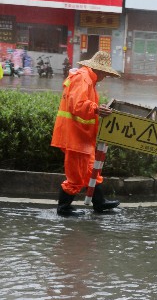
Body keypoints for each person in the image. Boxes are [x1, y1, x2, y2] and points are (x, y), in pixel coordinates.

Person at [51, 51, 121, 216]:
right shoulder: (83, 79)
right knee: (75, 174)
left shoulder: (87, 79)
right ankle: (63, 208)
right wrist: (96, 108)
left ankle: (99, 202)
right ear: (99, 70)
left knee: (91, 169)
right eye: (105, 73)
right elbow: (78, 105)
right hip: (74, 136)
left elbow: (81, 104)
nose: (105, 77)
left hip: (80, 136)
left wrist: (97, 108)